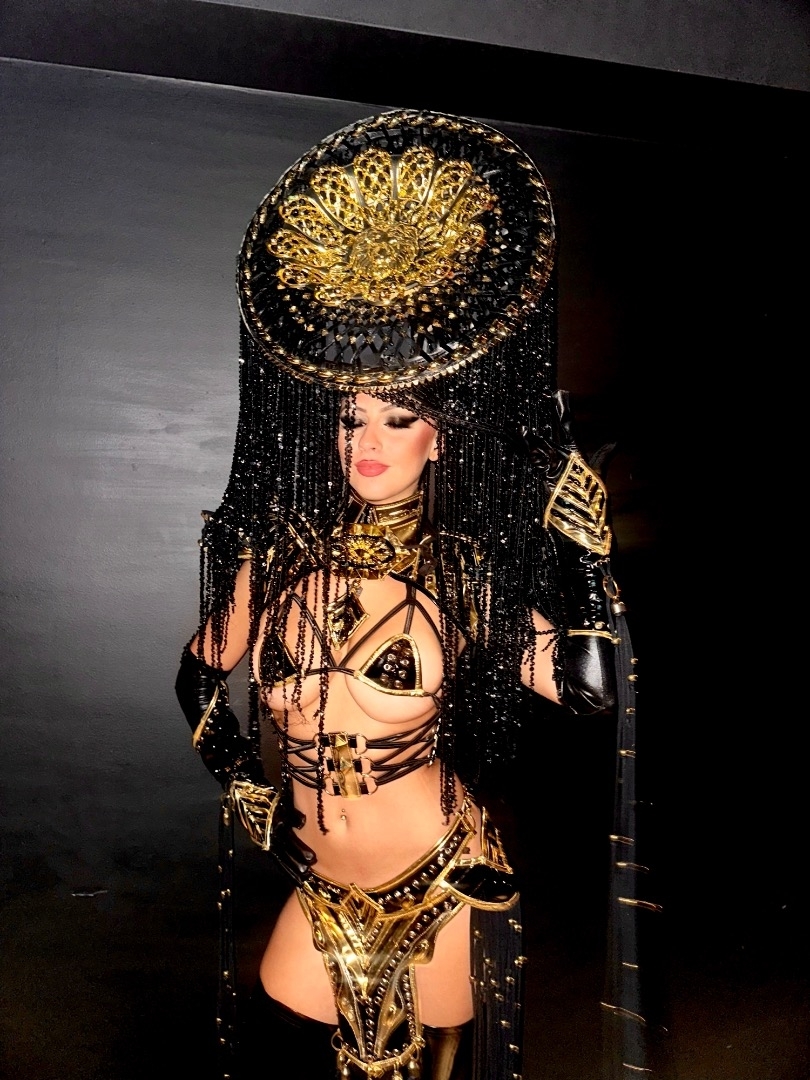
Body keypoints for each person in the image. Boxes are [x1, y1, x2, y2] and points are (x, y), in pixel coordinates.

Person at [176, 109, 642, 1080]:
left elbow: (590, 688)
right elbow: (197, 675)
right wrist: (247, 784)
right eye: (351, 418)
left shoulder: (460, 573)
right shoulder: (283, 555)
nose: (368, 442)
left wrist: (579, 553)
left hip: (440, 884)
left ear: (441, 437)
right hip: (318, 887)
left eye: (398, 418)